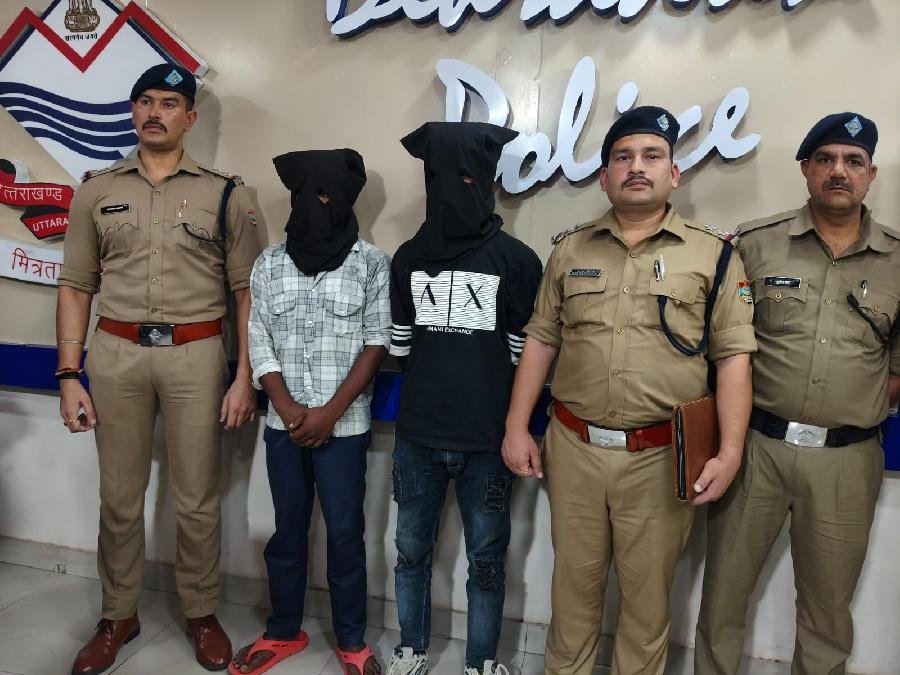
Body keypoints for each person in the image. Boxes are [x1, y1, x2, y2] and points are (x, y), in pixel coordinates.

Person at [502, 106, 757, 675]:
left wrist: (730, 451)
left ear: (674, 174)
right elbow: (541, 340)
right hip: (574, 449)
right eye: (623, 157)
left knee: (646, 606)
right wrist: (517, 426)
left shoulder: (714, 254)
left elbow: (733, 358)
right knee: (572, 594)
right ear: (604, 177)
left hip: (662, 457)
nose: (636, 167)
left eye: (651, 156)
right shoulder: (570, 249)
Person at [56, 63, 261, 674]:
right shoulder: (96, 191)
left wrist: (244, 376)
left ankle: (200, 612)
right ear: (132, 111)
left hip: (197, 356)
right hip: (115, 356)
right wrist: (69, 376)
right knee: (119, 498)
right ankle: (117, 614)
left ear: (190, 118)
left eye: (169, 103)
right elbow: (75, 285)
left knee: (196, 498)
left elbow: (248, 292)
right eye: (144, 101)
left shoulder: (227, 194)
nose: (154, 112)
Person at [694, 112, 900, 675]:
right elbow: (722, 348)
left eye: (853, 161)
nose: (839, 171)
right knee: (723, 596)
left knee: (827, 611)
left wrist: (848, 408)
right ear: (806, 169)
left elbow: (896, 367)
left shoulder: (897, 260)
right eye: (825, 159)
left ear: (871, 174)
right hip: (755, 449)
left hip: (846, 461)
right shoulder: (755, 244)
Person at [386, 121, 543, 675]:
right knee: (410, 550)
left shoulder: (518, 261)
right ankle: (411, 648)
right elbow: (402, 348)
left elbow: (527, 358)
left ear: (488, 179)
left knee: (487, 558)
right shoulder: (407, 258)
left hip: (488, 441)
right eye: (439, 177)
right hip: (418, 436)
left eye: (468, 177)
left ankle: (481, 660)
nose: (453, 190)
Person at [230, 148, 390, 675]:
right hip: (283, 425)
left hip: (345, 428)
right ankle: (283, 630)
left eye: (324, 195)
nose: (312, 205)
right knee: (287, 531)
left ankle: (351, 640)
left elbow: (377, 342)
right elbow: (258, 337)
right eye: (303, 194)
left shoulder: (371, 263)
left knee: (345, 535)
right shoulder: (269, 263)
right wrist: (286, 405)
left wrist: (328, 414)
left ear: (343, 200)